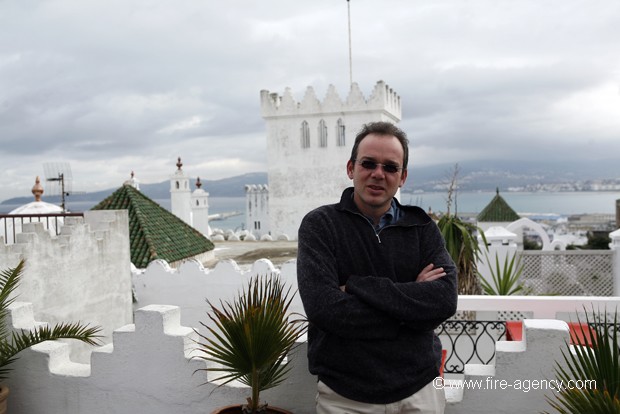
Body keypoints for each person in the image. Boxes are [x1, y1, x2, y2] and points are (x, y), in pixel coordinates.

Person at [297, 121, 458, 413]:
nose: (378, 174)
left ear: (403, 176)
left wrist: (357, 286)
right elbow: (325, 310)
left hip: (420, 391)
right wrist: (411, 311)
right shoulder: (320, 226)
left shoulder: (422, 228)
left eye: (390, 167)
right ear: (351, 168)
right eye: (368, 163)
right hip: (346, 397)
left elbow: (444, 300)